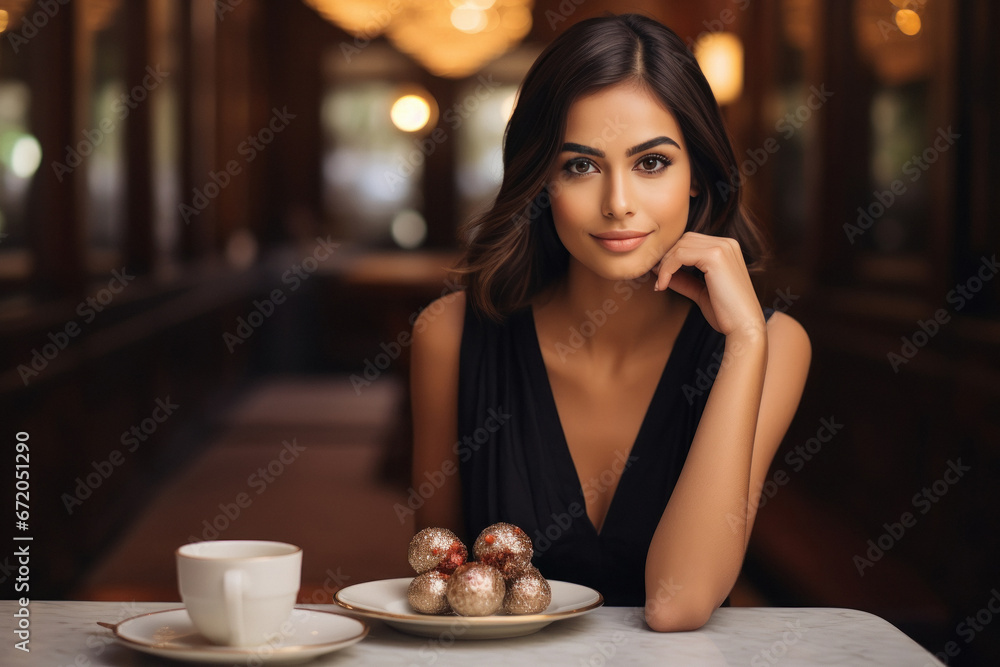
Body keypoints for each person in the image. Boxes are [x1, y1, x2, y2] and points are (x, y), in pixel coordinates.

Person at [409, 13, 810, 632]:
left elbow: (677, 604)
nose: (618, 202)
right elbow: (435, 590)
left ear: (698, 173)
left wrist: (746, 342)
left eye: (651, 163)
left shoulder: (773, 344)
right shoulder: (450, 335)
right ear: (541, 179)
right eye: (581, 165)